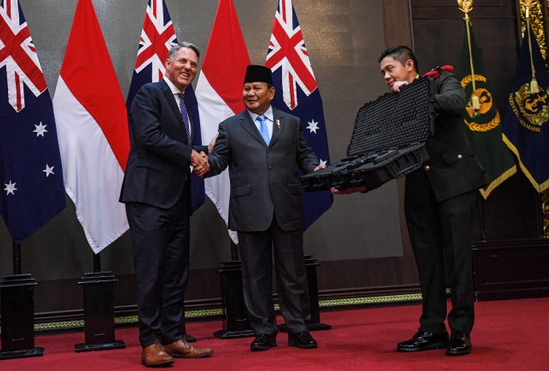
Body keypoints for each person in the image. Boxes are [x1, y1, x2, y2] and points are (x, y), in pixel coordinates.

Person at [335, 45, 486, 356]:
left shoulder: (441, 81)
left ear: (409, 65)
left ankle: (460, 331)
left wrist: (417, 96)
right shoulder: (392, 106)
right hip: (419, 191)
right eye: (383, 74)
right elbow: (387, 157)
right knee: (428, 264)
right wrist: (361, 185)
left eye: (390, 70)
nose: (387, 77)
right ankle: (432, 329)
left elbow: (458, 104)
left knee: (458, 260)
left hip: (454, 184)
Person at [201, 65, 323, 352]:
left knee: (292, 273)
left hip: (287, 208)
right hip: (249, 211)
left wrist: (314, 167)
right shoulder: (230, 126)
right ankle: (264, 331)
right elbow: (218, 160)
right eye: (247, 88)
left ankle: (298, 329)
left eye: (256, 88)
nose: (250, 93)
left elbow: (304, 154)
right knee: (254, 276)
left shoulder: (291, 123)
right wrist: (205, 162)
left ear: (271, 92)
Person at [120, 42, 212, 367]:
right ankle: (150, 342)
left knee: (176, 273)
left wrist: (204, 151)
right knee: (151, 273)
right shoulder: (149, 94)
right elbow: (149, 137)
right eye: (183, 61)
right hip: (148, 198)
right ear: (168, 63)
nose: (188, 67)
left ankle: (173, 337)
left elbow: (178, 144)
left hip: (177, 200)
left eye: (193, 64)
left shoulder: (187, 103)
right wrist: (190, 153)